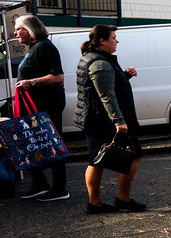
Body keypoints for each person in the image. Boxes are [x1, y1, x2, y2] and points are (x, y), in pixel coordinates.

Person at [74, 25, 146, 214]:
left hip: (96, 119)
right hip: (104, 121)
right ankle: (117, 199)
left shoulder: (97, 59)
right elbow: (106, 95)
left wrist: (124, 76)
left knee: (97, 160)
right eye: (113, 38)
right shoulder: (100, 63)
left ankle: (99, 202)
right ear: (102, 41)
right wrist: (119, 121)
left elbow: (107, 86)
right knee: (129, 156)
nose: (117, 41)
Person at [13, 14, 69, 201]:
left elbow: (58, 76)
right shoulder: (33, 48)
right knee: (29, 142)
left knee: (52, 143)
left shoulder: (45, 47)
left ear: (30, 29)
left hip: (48, 105)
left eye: (19, 28)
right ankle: (39, 183)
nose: (16, 32)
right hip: (34, 106)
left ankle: (60, 188)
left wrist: (32, 83)